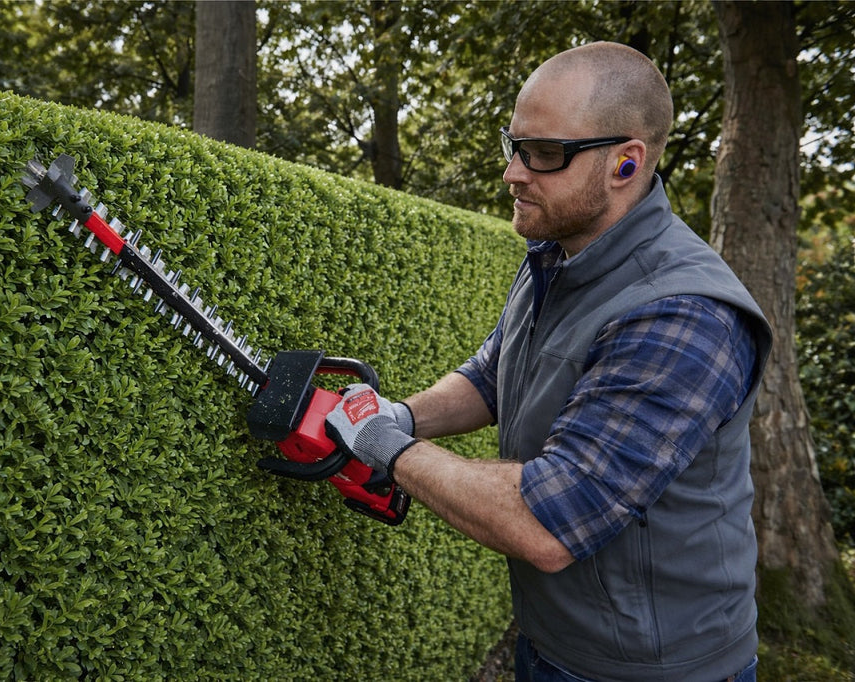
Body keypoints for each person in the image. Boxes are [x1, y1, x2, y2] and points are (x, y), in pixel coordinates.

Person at [325, 42, 772, 682]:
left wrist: (386, 446)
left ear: (625, 163)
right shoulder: (557, 255)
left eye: (543, 154)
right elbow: (493, 375)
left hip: (654, 668)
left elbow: (549, 518)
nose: (513, 172)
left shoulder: (684, 313)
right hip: (553, 642)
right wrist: (403, 414)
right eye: (514, 145)